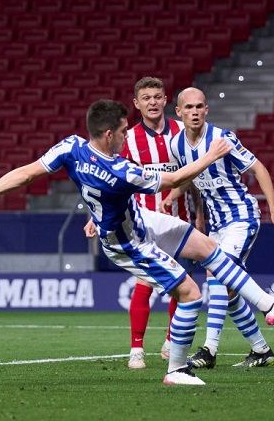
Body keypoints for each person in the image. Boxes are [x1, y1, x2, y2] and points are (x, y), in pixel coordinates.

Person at [0, 99, 274, 386]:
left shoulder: (71, 147)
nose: (127, 136)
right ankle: (176, 370)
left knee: (206, 248)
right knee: (190, 293)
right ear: (108, 134)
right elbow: (176, 177)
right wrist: (211, 156)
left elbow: (26, 173)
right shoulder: (120, 172)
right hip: (128, 242)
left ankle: (268, 304)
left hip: (140, 220)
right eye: (124, 131)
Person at [161, 87, 274, 369]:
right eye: (189, 108)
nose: (194, 112)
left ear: (206, 109)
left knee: (217, 274)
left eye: (199, 107)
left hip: (241, 216)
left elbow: (259, 168)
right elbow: (190, 176)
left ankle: (209, 349)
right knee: (229, 291)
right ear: (179, 112)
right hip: (216, 224)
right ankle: (261, 349)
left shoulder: (222, 138)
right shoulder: (175, 145)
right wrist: (180, 201)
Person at [84, 76, 192, 370]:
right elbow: (104, 178)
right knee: (144, 282)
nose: (152, 103)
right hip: (140, 223)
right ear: (137, 104)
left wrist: (184, 201)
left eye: (157, 97)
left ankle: (171, 341)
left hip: (179, 219)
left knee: (180, 283)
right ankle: (136, 348)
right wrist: (96, 216)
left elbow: (191, 175)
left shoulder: (181, 133)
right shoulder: (127, 137)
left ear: (166, 99)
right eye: (146, 98)